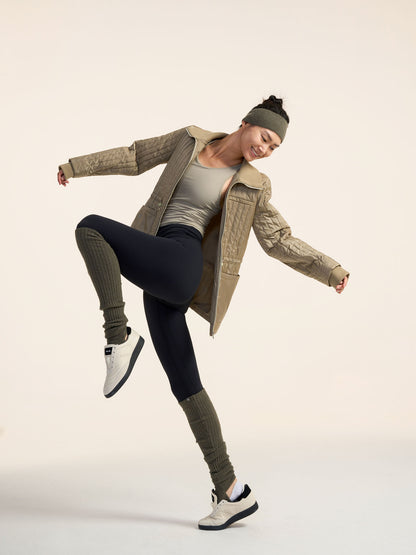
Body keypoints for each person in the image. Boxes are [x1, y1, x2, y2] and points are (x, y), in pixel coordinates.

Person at [57, 95, 349, 531]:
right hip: (160, 262)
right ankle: (230, 491)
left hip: (182, 262)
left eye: (274, 148)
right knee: (186, 385)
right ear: (246, 123)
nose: (265, 149)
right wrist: (75, 166)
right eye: (264, 137)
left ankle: (118, 337)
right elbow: (136, 156)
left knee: (91, 227)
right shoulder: (189, 140)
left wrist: (329, 269)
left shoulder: (252, 185)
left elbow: (278, 239)